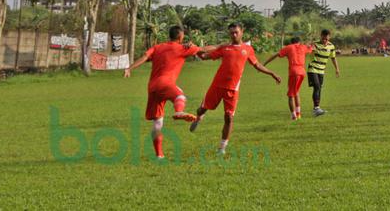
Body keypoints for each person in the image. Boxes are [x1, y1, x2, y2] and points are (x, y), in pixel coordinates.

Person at [189, 23, 281, 154]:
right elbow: (205, 56)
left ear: (242, 32)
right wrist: (195, 50)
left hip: (232, 89)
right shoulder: (225, 48)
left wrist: (272, 73)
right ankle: (199, 118)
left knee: (229, 117)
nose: (234, 35)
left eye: (236, 32)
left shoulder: (247, 49)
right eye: (231, 33)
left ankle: (222, 148)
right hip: (217, 86)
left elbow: (257, 64)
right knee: (202, 109)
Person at [124, 25, 205, 159]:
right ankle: (179, 111)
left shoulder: (157, 47)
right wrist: (224, 46)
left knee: (157, 123)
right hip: (165, 83)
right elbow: (203, 50)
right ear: (180, 36)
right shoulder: (183, 48)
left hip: (152, 87)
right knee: (180, 95)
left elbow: (145, 56)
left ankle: (159, 155)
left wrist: (129, 68)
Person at [264, 36, 314, 120]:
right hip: (302, 72)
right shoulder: (303, 47)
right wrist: (311, 45)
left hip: (294, 72)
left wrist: (264, 63)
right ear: (299, 41)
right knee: (296, 92)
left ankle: (293, 116)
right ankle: (298, 114)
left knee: (290, 95)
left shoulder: (289, 47)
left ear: (291, 42)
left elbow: (276, 55)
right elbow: (312, 48)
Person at [307, 29, 340, 117]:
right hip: (313, 68)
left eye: (326, 38)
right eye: (323, 38)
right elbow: (309, 51)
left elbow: (333, 58)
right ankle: (316, 109)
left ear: (329, 37)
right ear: (321, 36)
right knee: (317, 86)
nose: (325, 40)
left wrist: (337, 69)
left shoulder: (331, 46)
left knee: (319, 88)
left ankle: (317, 108)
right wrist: (310, 48)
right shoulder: (315, 44)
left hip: (321, 70)